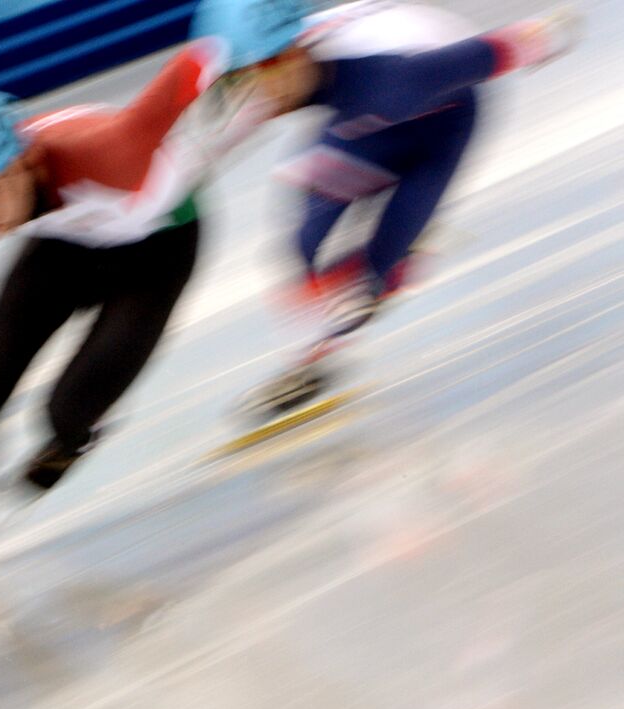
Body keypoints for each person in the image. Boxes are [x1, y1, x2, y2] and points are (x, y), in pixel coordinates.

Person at [0, 36, 234, 530]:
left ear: (26, 161)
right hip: (65, 250)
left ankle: (74, 438)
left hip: (159, 249)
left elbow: (194, 62)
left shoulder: (110, 152)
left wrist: (238, 37)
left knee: (67, 411)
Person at [188, 0, 577, 415]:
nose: (253, 100)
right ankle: (308, 362)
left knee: (365, 281)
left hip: (441, 123)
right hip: (366, 121)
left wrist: (547, 34)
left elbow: (492, 51)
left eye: (249, 83)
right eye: (237, 87)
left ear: (288, 57)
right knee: (302, 244)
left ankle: (397, 261)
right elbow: (206, 150)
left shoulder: (391, 73)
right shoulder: (282, 64)